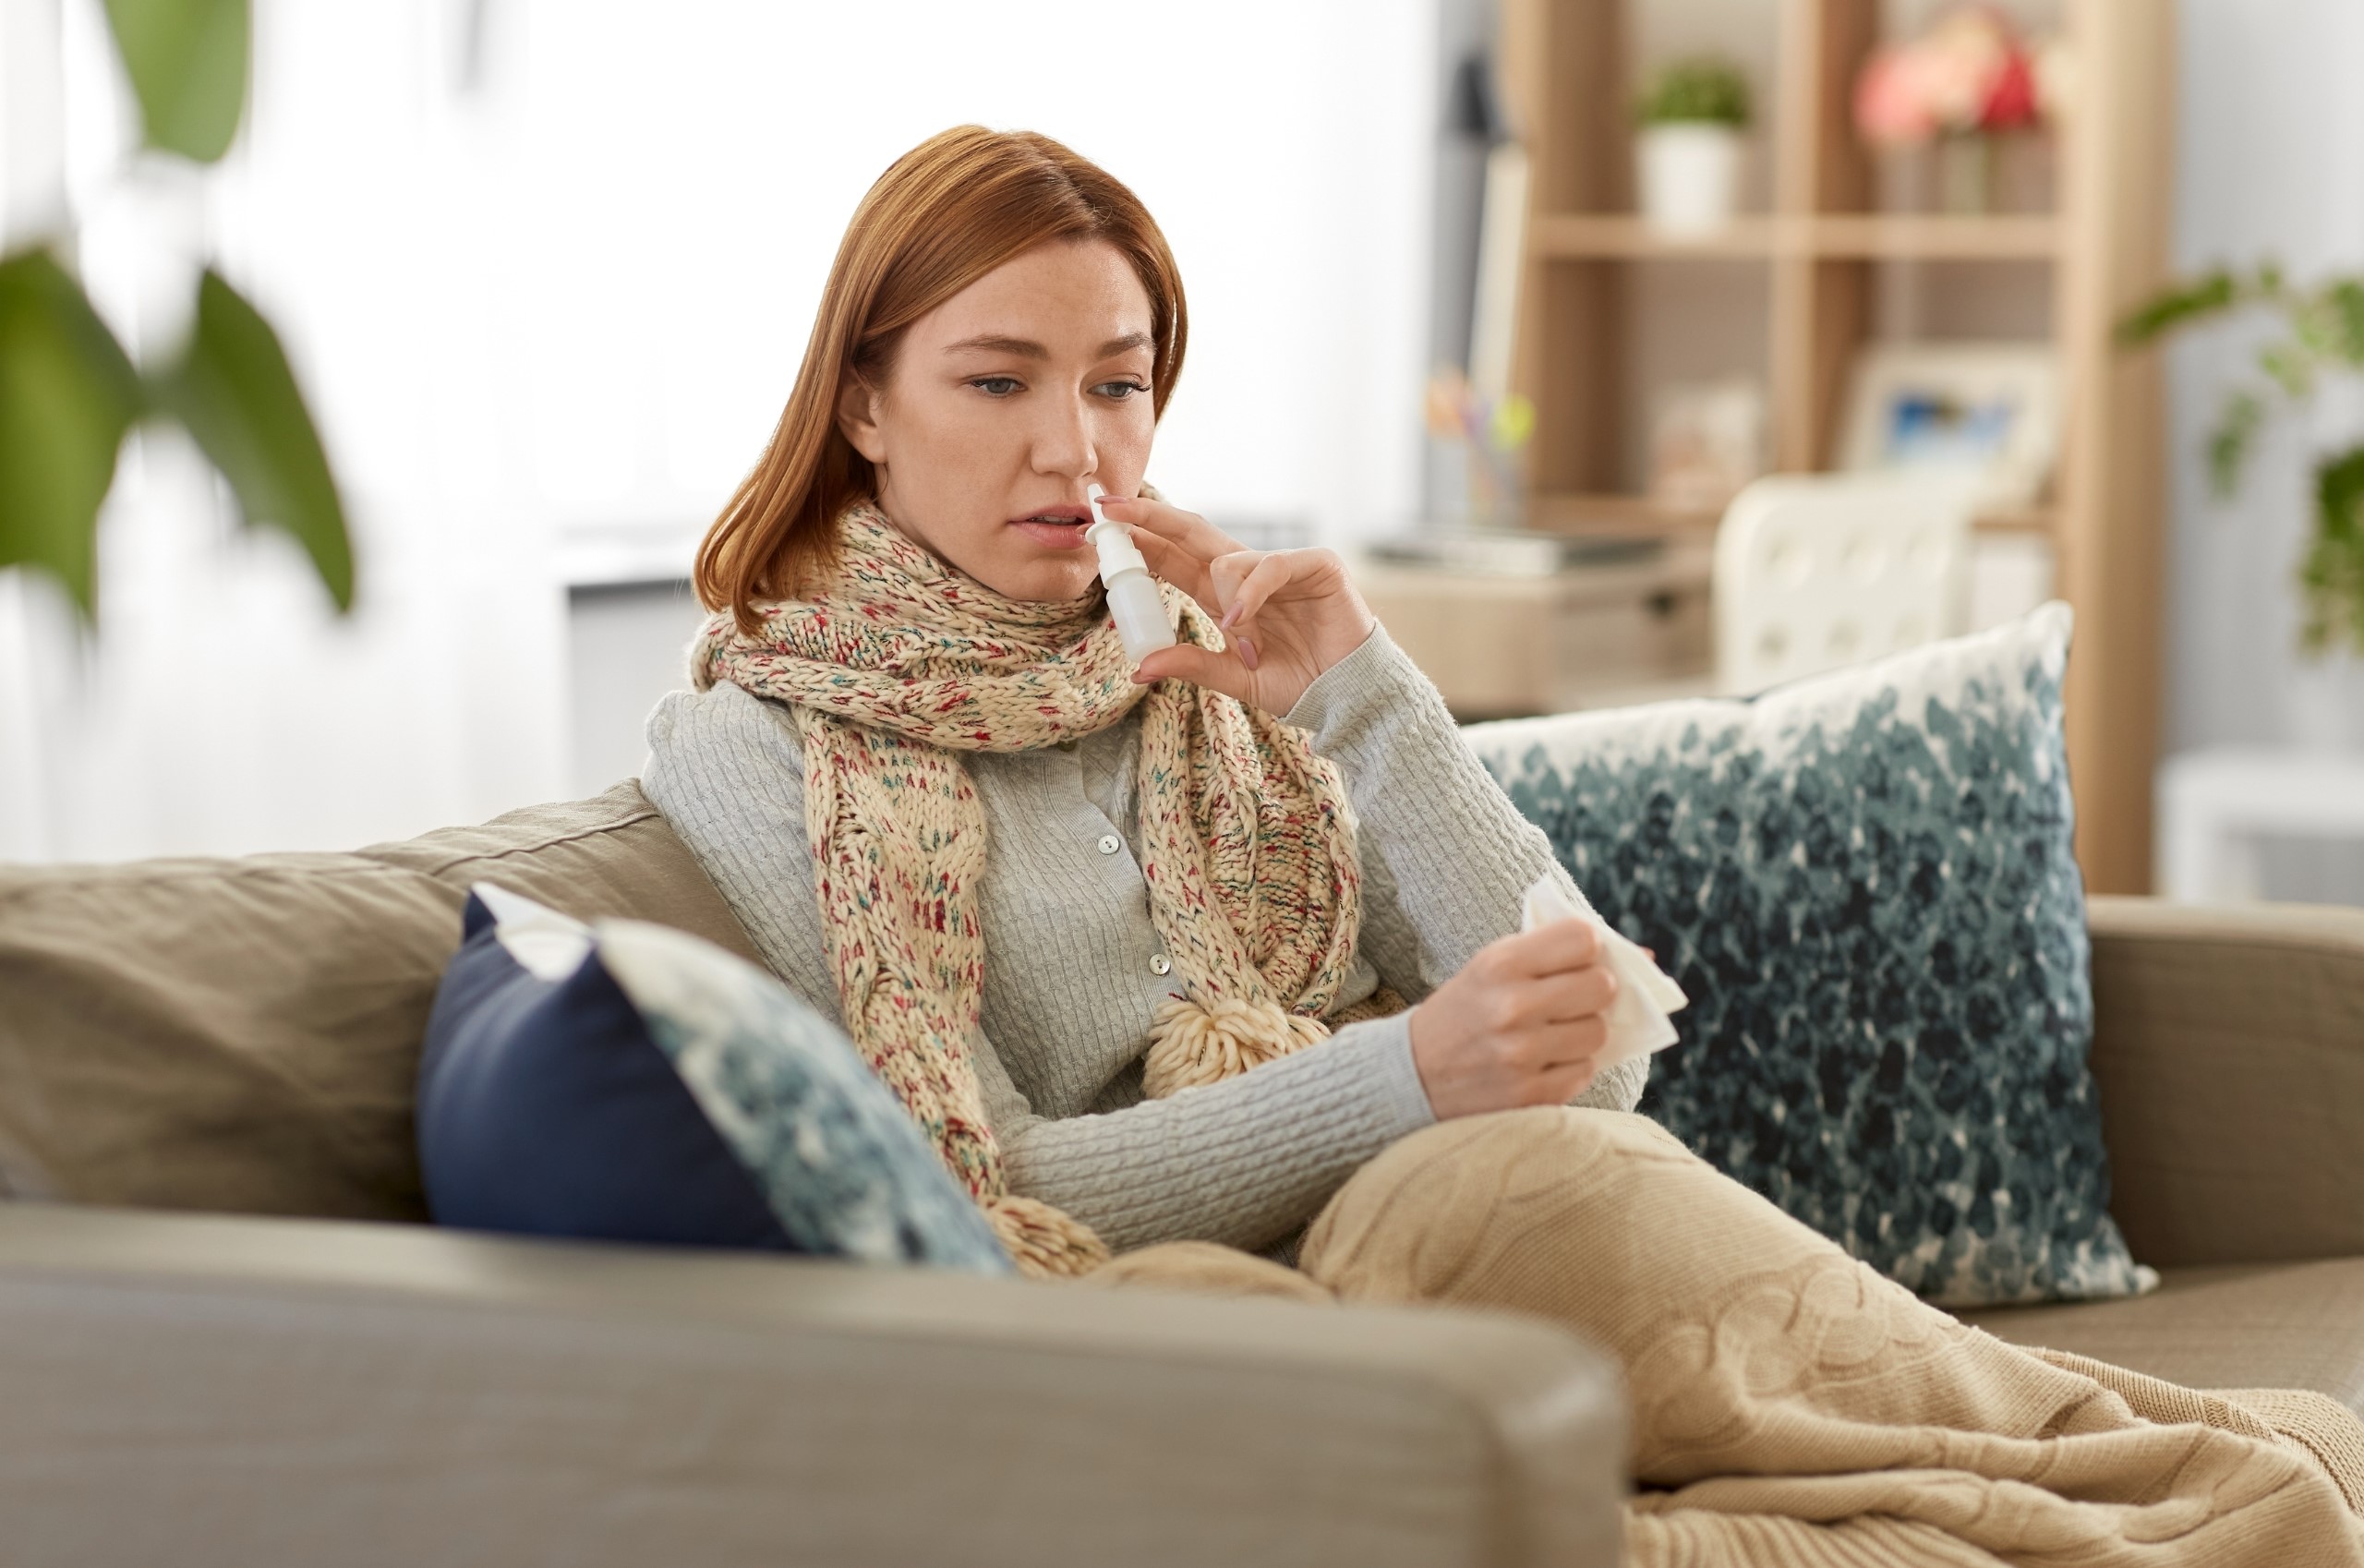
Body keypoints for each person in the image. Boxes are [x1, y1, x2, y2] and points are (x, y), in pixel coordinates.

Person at [643, 127, 2364, 1563]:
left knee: (1560, 1174)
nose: (1073, 449)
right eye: (996, 379)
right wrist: (1405, 1076)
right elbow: (986, 1175)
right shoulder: (756, 733)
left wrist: (1363, 700)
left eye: (1119, 384)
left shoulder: (1189, 659)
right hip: (1158, 1302)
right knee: (1406, 1272)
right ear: (863, 401)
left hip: (1430, 1231)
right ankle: (2227, 1494)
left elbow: (1594, 1053)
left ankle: (2190, 1478)